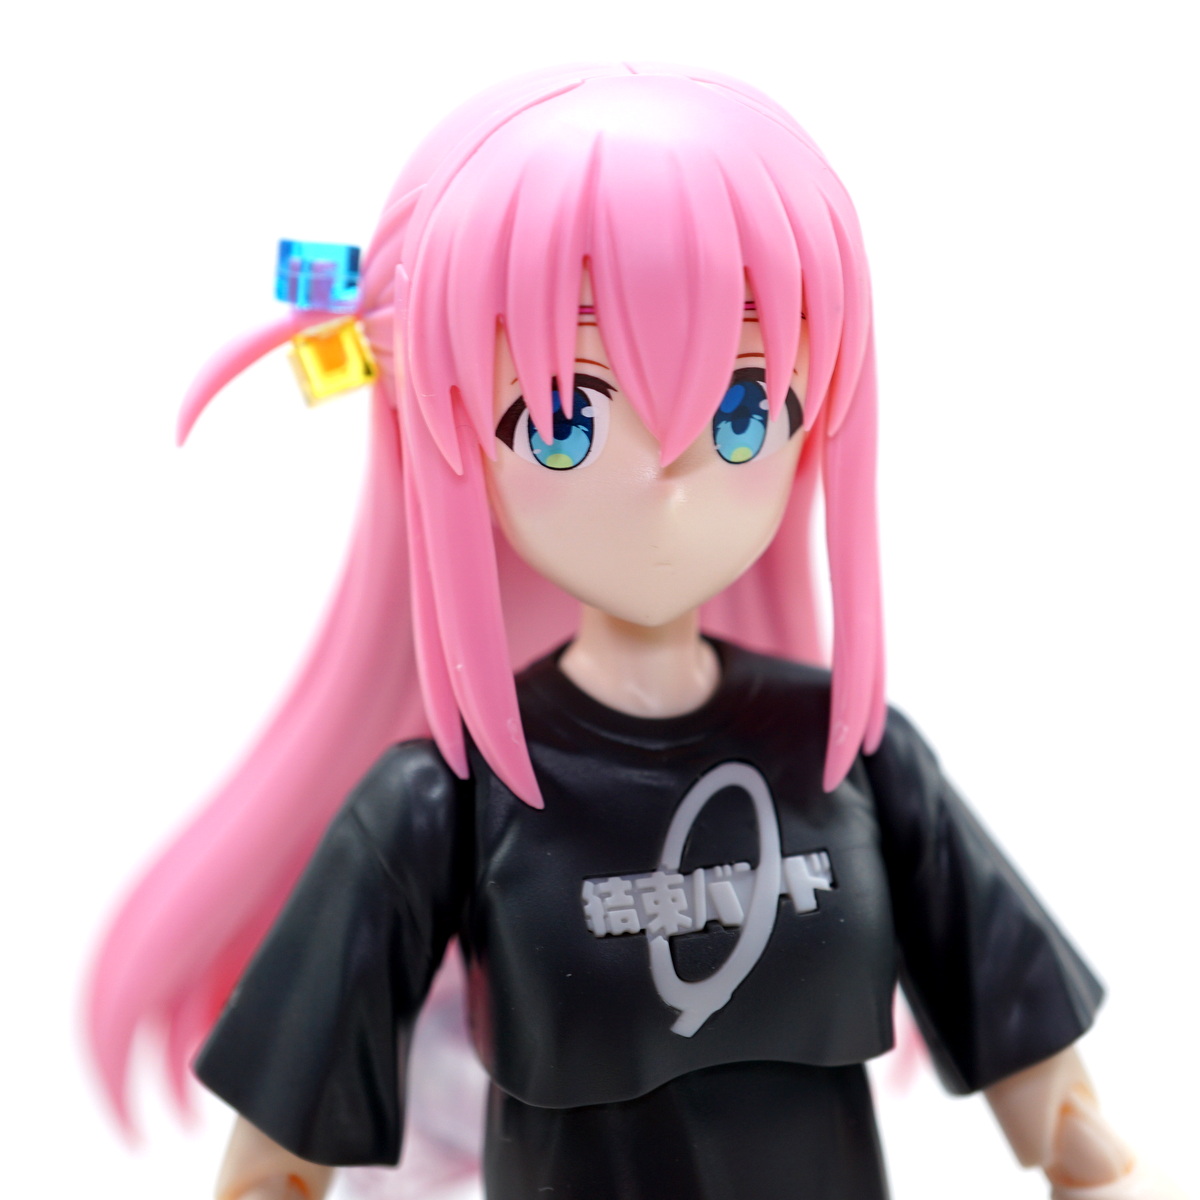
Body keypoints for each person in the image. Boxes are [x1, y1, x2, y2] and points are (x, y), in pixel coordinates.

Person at [87, 63, 1172, 1200]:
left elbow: (1055, 1092)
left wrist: (1092, 1164)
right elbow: (278, 1164)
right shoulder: (450, 803)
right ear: (453, 430)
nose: (668, 482)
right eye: (563, 418)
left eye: (746, 408)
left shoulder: (851, 760)